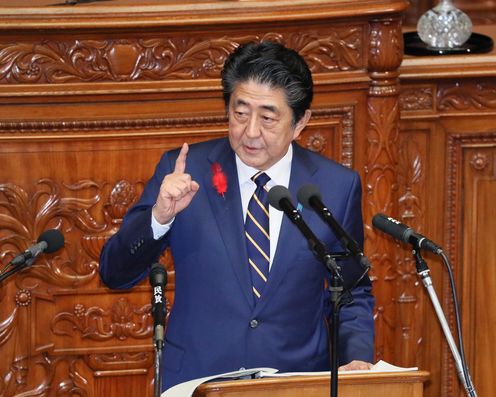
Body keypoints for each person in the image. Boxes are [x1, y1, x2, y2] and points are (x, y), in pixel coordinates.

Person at [99, 41, 375, 390]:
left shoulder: (336, 187)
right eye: (240, 113)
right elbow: (114, 272)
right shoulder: (185, 172)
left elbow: (351, 289)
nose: (251, 132)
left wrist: (356, 357)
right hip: (197, 382)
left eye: (268, 118)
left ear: (300, 121)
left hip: (296, 383)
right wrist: (159, 217)